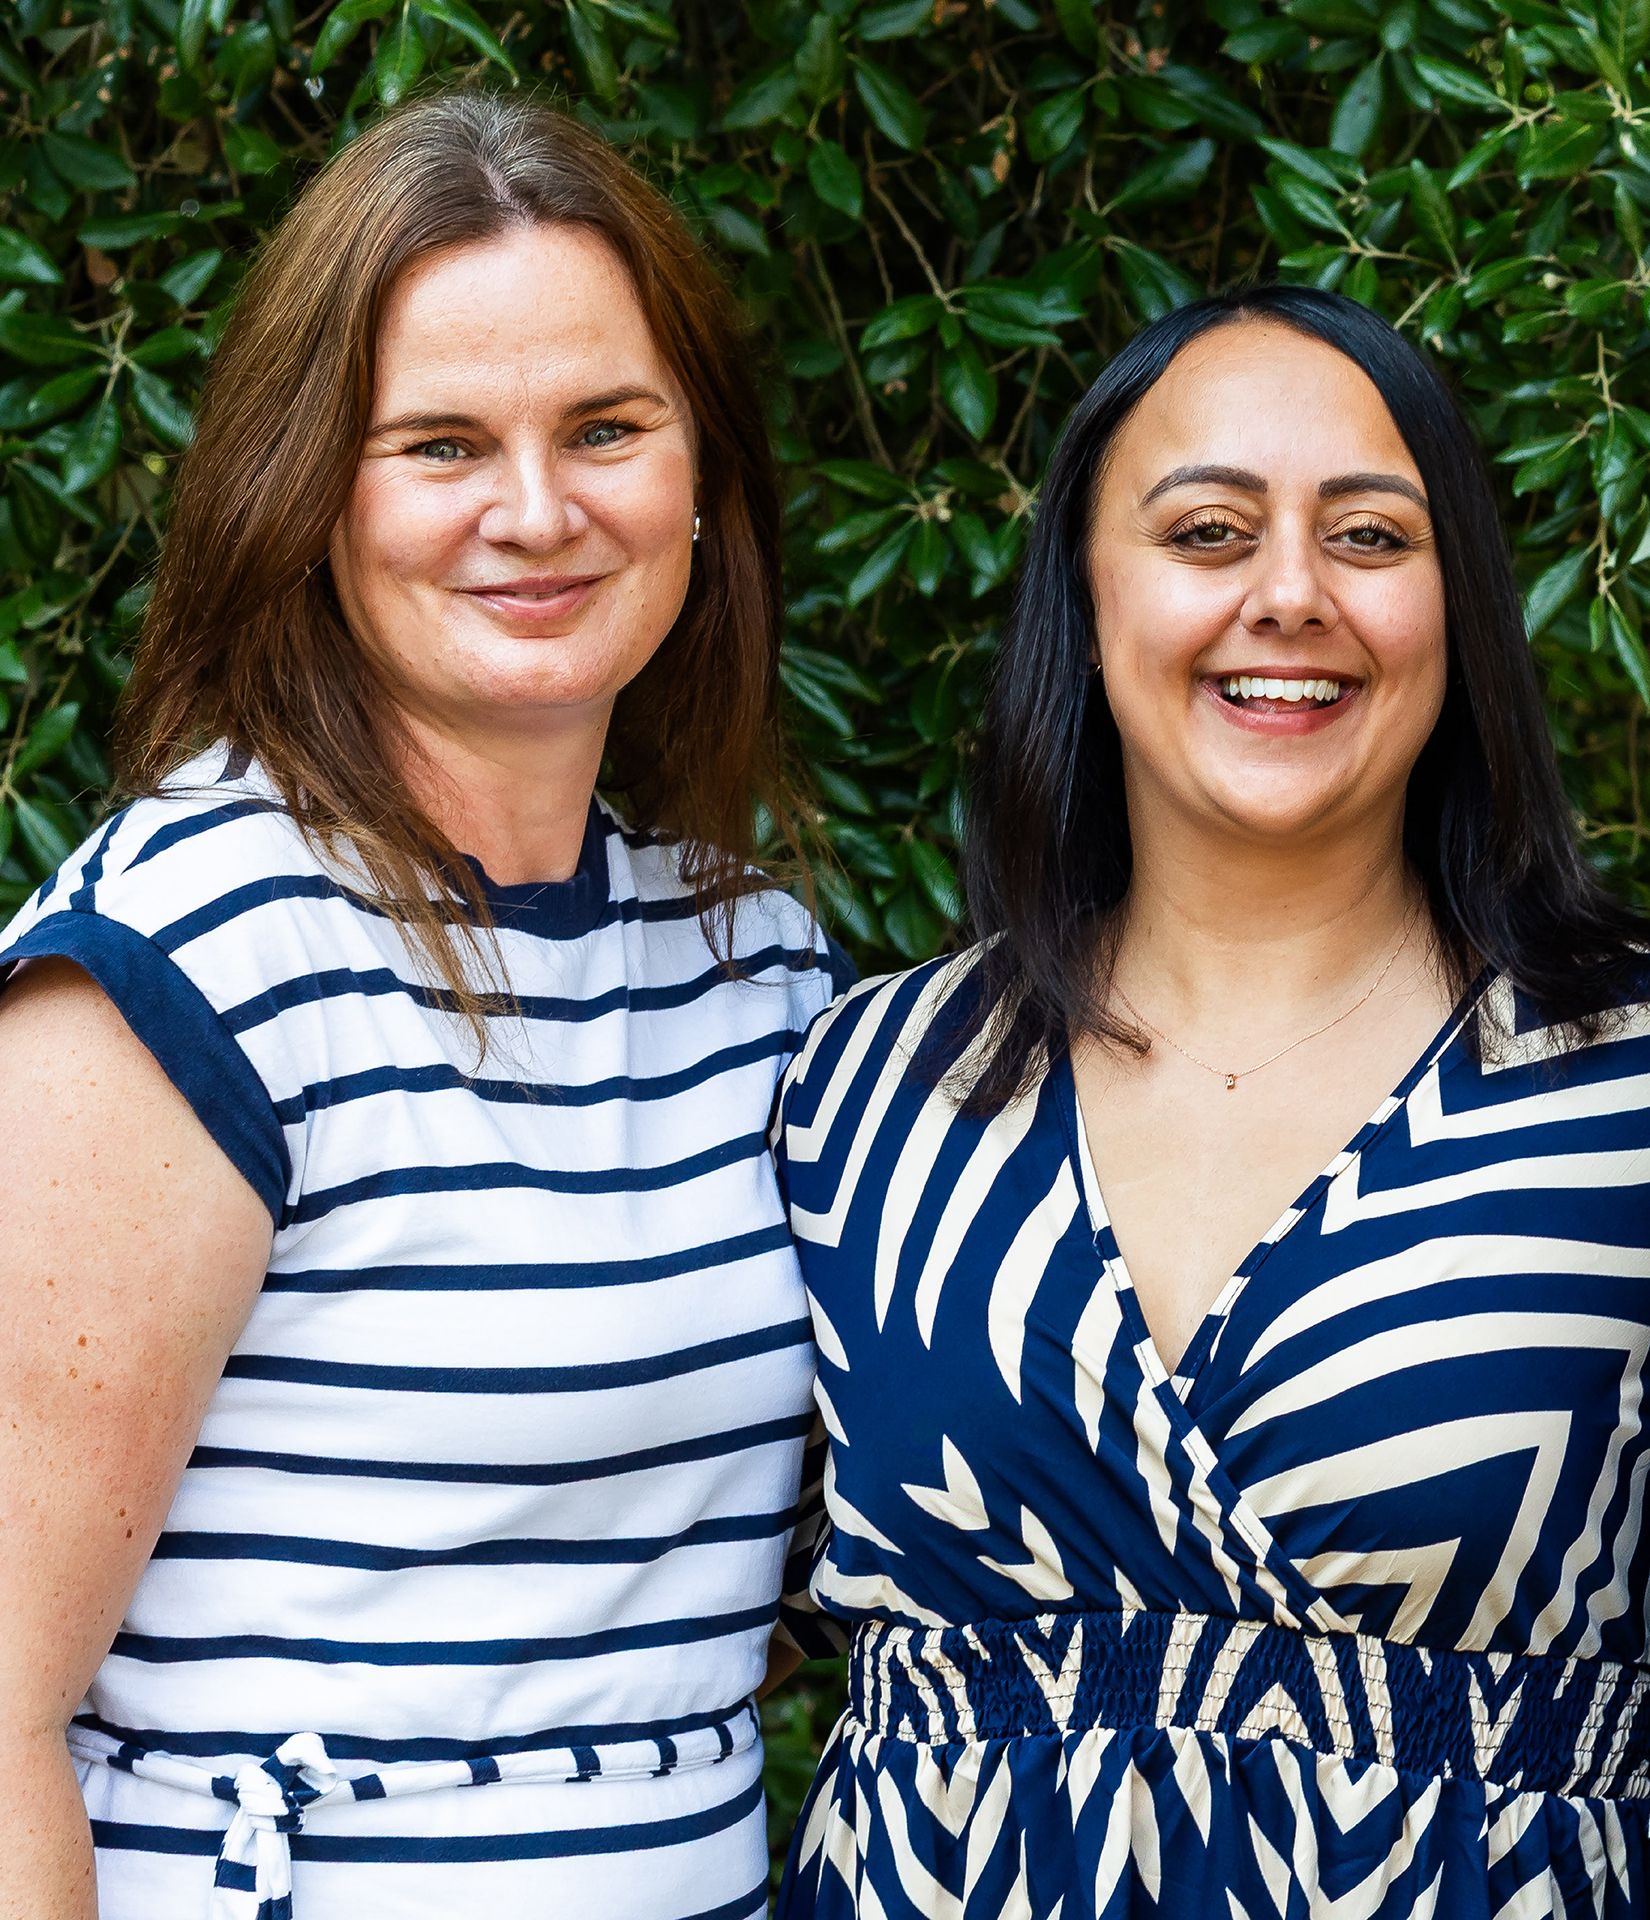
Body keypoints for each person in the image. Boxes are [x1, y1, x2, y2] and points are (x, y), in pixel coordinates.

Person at [0, 89, 849, 1920]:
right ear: (307, 491)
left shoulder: (752, 962)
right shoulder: (184, 964)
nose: (536, 514)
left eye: (606, 429)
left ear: (698, 476)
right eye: (440, 444)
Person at [770, 284, 1650, 1917]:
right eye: (1206, 532)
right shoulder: (859, 1093)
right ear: (1086, 597)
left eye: (1372, 538)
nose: (1289, 595)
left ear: (1456, 605)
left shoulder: (1622, 1089)